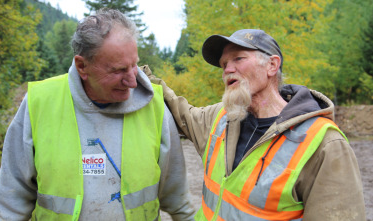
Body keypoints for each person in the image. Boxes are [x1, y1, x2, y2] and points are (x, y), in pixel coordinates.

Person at [0, 8, 195, 221]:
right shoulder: (39, 103)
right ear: (82, 66)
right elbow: (10, 201)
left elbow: (179, 200)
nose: (133, 81)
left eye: (134, 65)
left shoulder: (154, 106)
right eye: (118, 70)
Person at [144, 29, 366, 220]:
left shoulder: (325, 144)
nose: (227, 70)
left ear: (272, 65)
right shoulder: (221, 118)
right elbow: (180, 111)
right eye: (223, 64)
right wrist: (136, 73)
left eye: (238, 59)